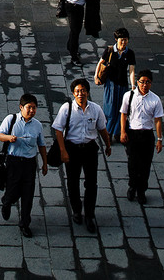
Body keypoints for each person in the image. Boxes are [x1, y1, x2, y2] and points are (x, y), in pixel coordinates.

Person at [54, 78, 111, 231]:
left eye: (83, 90)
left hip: (90, 149)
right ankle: (77, 210)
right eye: (78, 91)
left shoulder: (95, 109)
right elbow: (58, 130)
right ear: (73, 93)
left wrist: (108, 144)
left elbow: (102, 129)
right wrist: (63, 151)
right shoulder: (67, 109)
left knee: (91, 183)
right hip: (72, 149)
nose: (81, 94)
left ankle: (90, 214)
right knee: (73, 182)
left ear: (87, 92)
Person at [0, 92, 50, 233]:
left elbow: (42, 145)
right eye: (29, 107)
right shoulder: (11, 120)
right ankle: (7, 202)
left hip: (29, 163)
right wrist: (9, 138)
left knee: (28, 193)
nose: (32, 111)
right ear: (21, 107)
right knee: (13, 189)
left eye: (34, 108)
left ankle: (25, 223)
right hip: (14, 162)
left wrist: (45, 163)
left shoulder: (37, 125)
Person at [119, 70, 164, 204]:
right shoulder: (129, 96)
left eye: (147, 82)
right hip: (133, 133)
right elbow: (123, 114)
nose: (144, 85)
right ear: (137, 82)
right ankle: (132, 186)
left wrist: (159, 139)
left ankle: (142, 190)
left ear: (151, 83)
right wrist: (122, 131)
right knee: (133, 163)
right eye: (142, 82)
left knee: (145, 164)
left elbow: (157, 120)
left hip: (147, 135)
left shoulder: (155, 99)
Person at [95, 28, 134, 128]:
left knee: (122, 108)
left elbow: (131, 70)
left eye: (126, 39)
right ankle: (107, 131)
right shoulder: (109, 50)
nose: (124, 42)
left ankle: (118, 131)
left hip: (123, 84)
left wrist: (133, 85)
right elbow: (100, 63)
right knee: (110, 108)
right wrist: (96, 77)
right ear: (116, 39)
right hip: (110, 83)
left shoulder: (130, 53)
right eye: (122, 40)